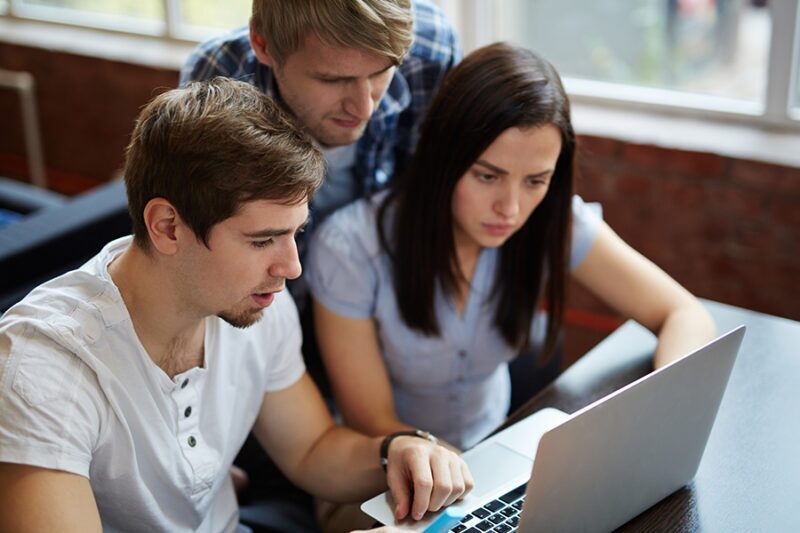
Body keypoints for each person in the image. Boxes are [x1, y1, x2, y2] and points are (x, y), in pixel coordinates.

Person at [0, 78, 472, 532]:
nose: (291, 268)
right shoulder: (43, 370)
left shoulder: (254, 303)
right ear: (167, 227)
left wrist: (398, 450)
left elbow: (311, 449)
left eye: (295, 233)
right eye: (263, 239)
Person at [306, 43, 717, 451]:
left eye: (536, 181)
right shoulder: (350, 247)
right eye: (487, 176)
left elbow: (684, 312)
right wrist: (469, 477)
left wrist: (668, 407)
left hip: (498, 452)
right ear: (443, 159)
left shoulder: (553, 221)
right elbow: (372, 422)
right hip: (385, 473)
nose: (511, 208)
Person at [180, 0, 460, 228]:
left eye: (381, 72)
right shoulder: (216, 81)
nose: (364, 109)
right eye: (332, 80)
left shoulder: (430, 51)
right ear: (263, 45)